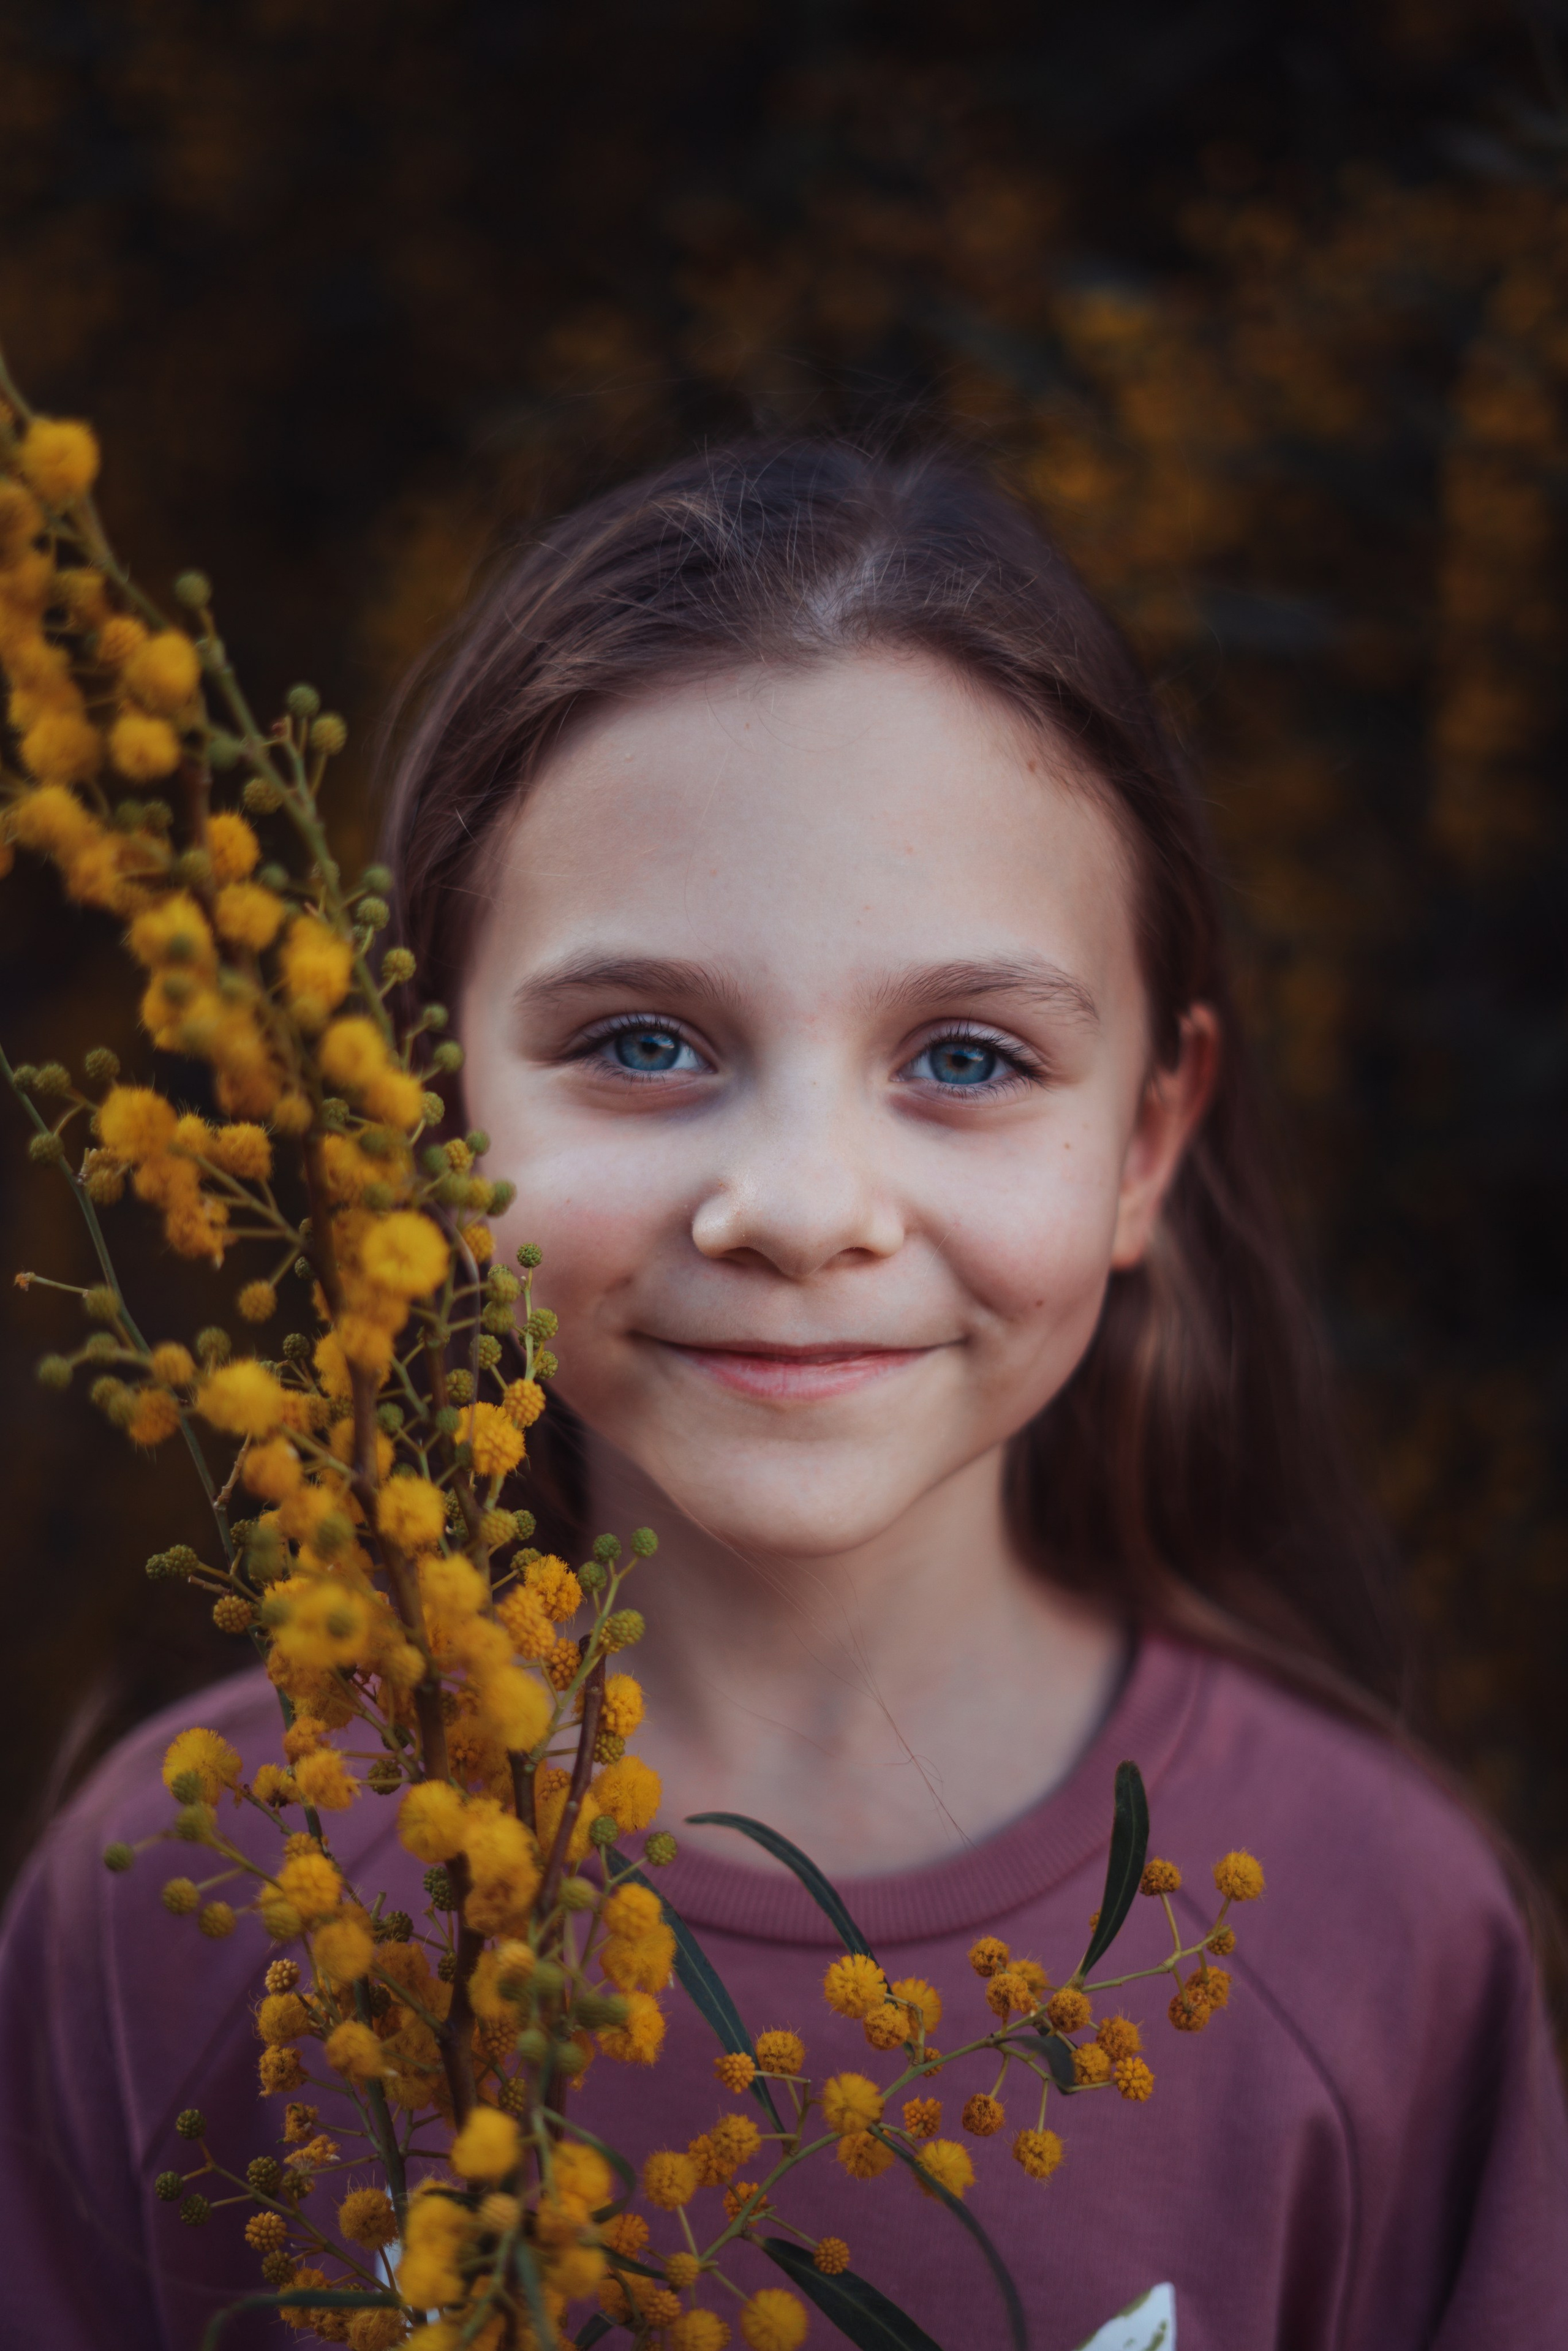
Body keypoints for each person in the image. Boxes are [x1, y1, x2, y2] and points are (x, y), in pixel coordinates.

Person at [1, 440, 1564, 2349]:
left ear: (1151, 1138)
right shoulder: (189, 1900)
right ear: (418, 1108)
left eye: (969, 1055)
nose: (804, 1211)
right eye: (644, 1042)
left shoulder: (1377, 1941)